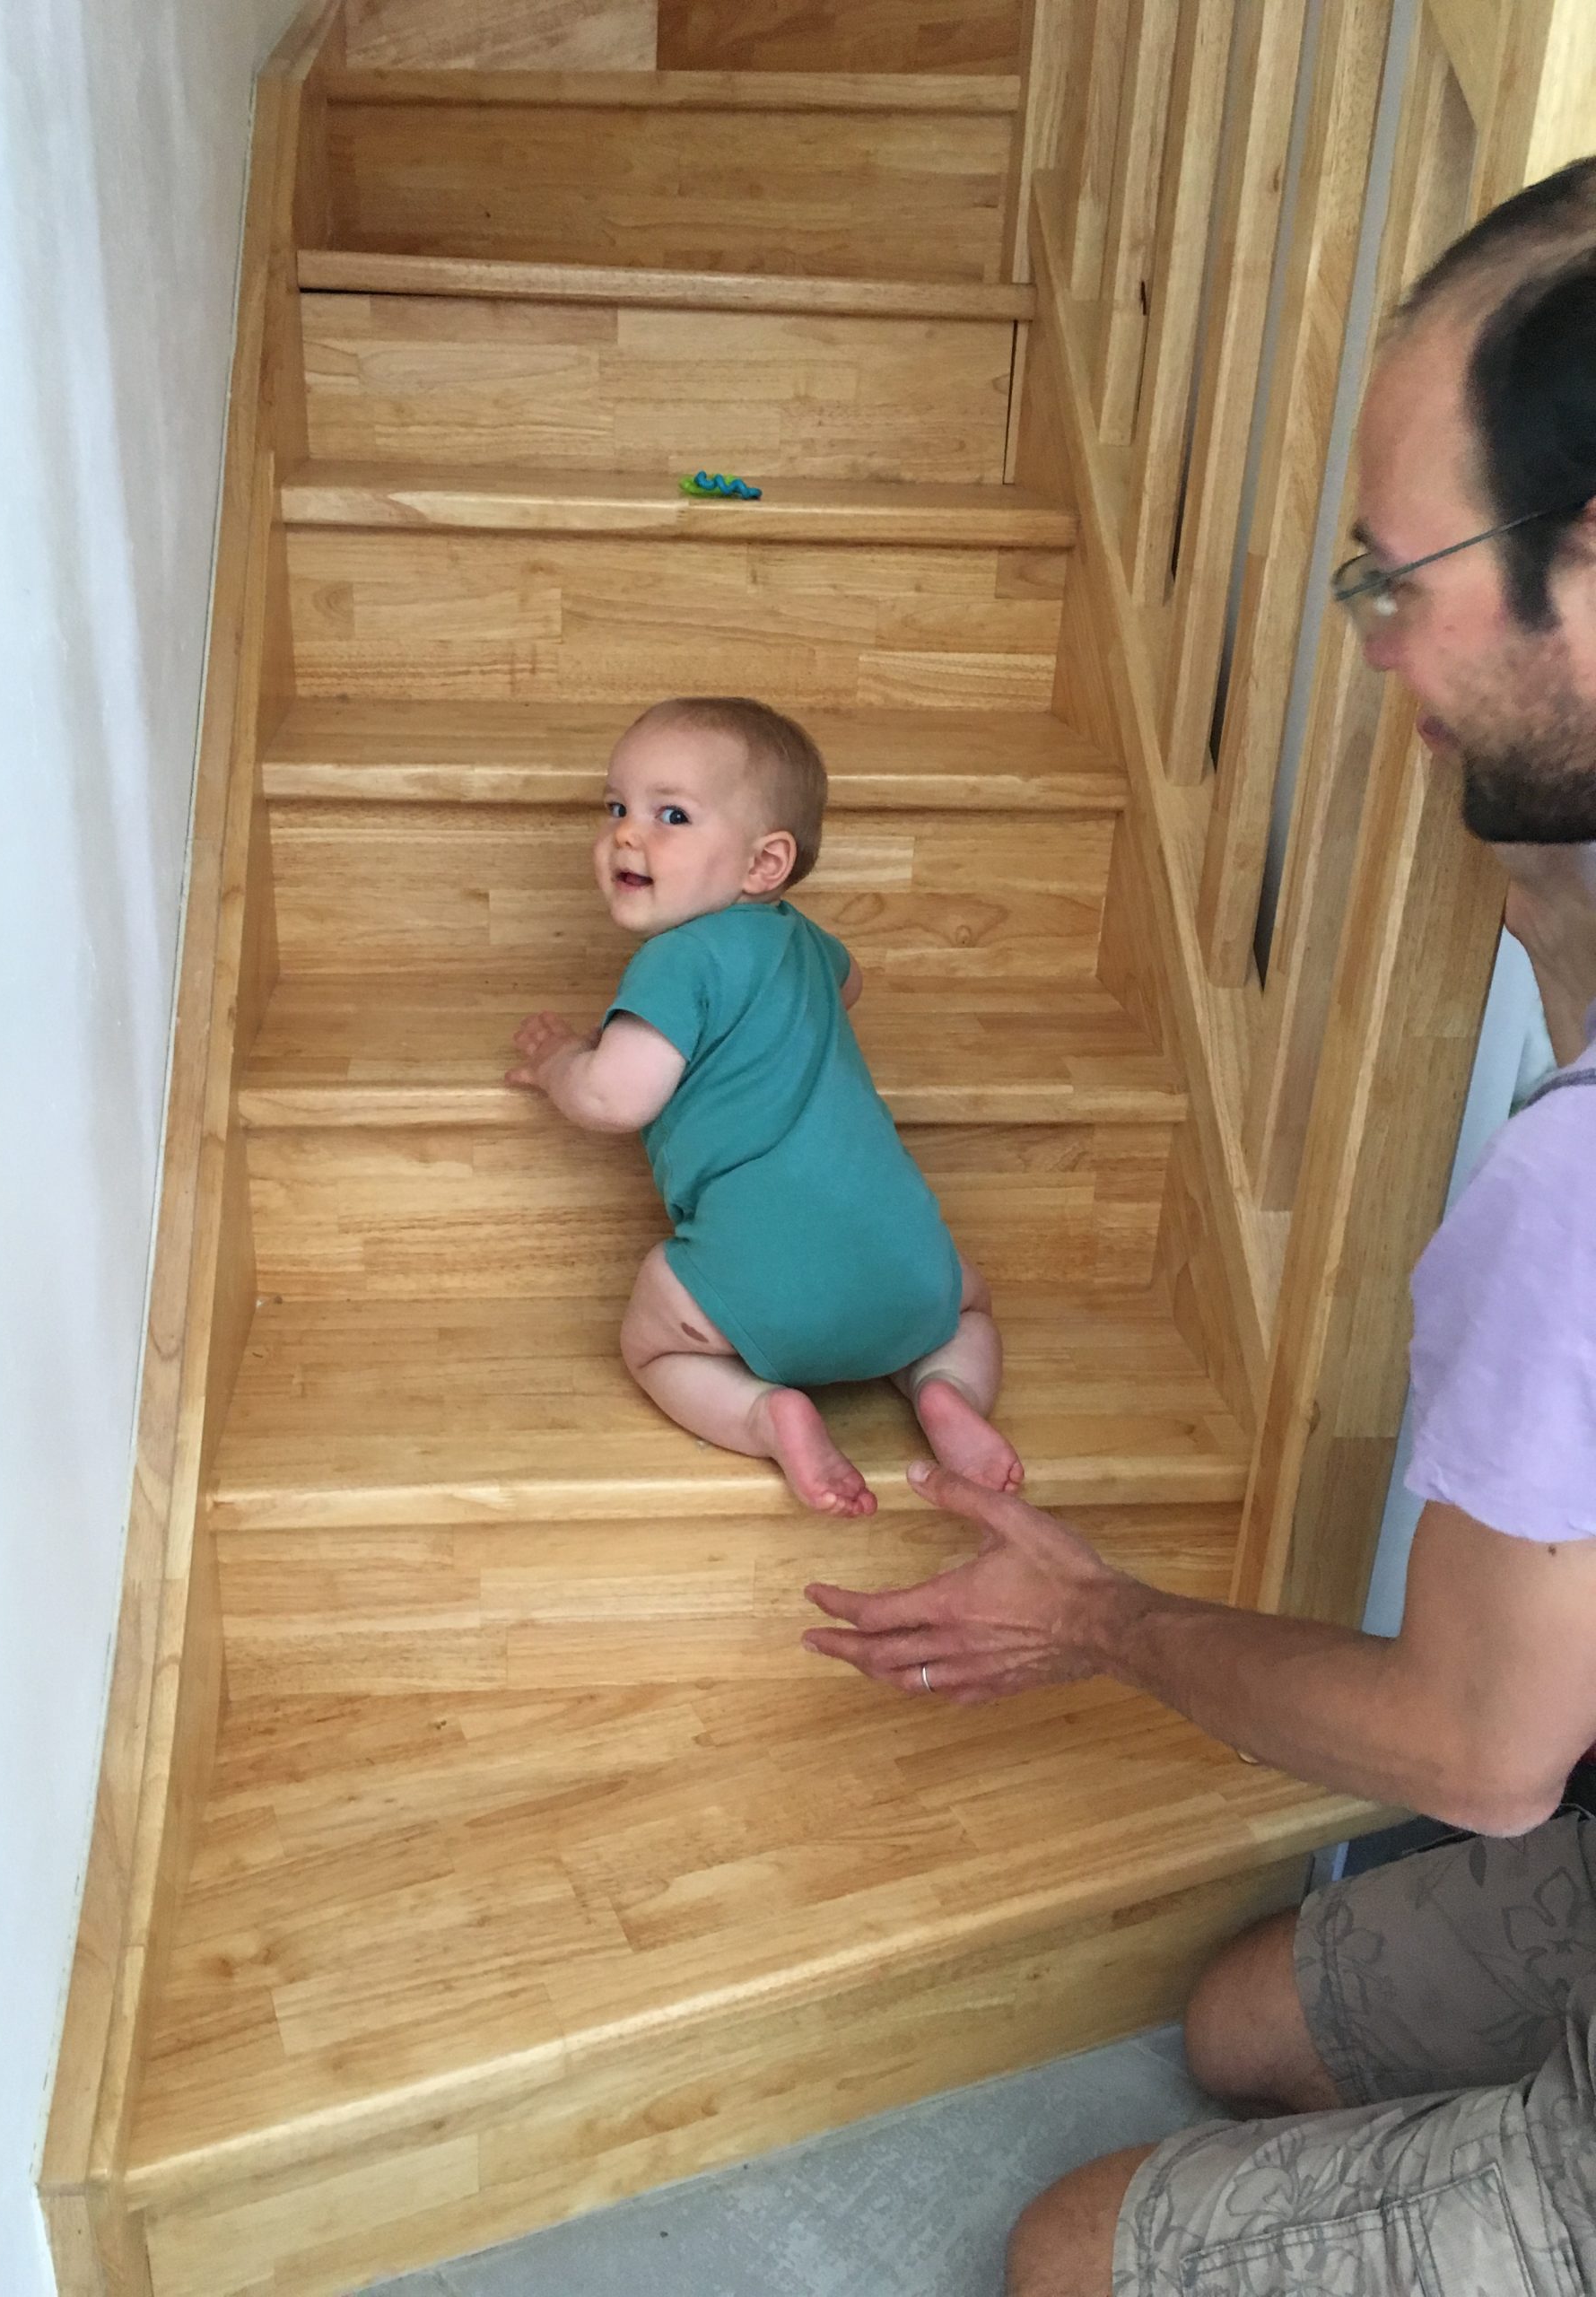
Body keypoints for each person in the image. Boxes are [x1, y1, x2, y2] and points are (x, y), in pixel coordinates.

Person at [804, 159, 1596, 2295]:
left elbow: (1478, 1752)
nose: (1378, 654)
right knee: (1241, 2019)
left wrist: (1101, 1617)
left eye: (1394, 578)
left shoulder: (1573, 1199)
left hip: (1529, 1784)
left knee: (1068, 2244)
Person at [504, 694, 1021, 1517]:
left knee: (651, 1345)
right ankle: (945, 1390)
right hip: (907, 1271)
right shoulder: (804, 941)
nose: (627, 836)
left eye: (672, 815)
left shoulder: (674, 961)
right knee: (969, 1310)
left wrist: (560, 1060)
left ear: (763, 864)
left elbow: (613, 1096)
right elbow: (852, 984)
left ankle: (764, 1414)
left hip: (757, 1295)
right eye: (616, 807)